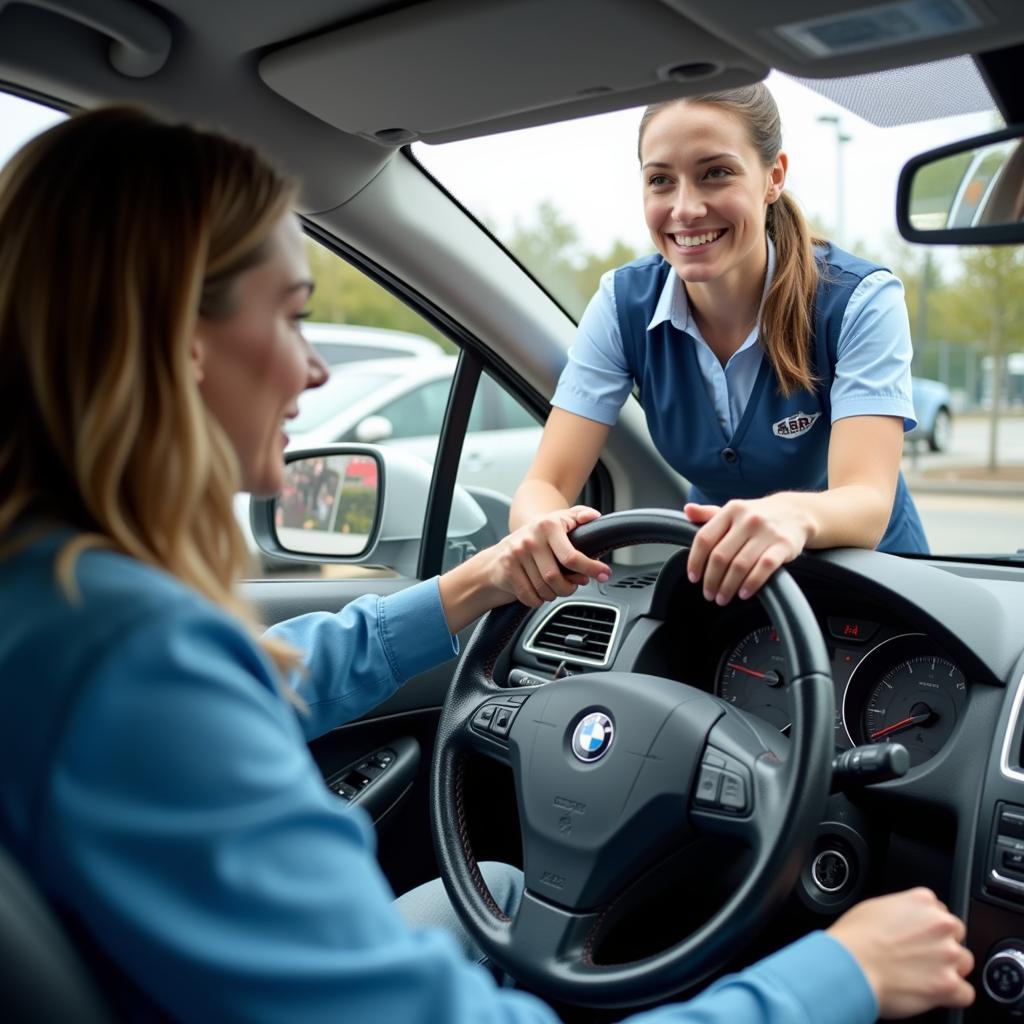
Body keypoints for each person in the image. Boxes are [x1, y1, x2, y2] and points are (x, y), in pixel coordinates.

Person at [0, 106, 973, 1023]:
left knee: (501, 891)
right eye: (293, 314)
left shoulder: (57, 606)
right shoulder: (136, 667)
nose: (317, 368)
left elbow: (260, 681)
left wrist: (477, 585)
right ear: (180, 342)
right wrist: (837, 976)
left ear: (772, 178)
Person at [509, 84, 930, 609]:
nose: (685, 209)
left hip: (875, 594)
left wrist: (790, 516)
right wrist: (538, 528)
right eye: (661, 180)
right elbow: (544, 484)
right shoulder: (621, 305)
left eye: (715, 172)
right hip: (727, 594)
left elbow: (866, 507)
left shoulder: (859, 300)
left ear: (773, 176)